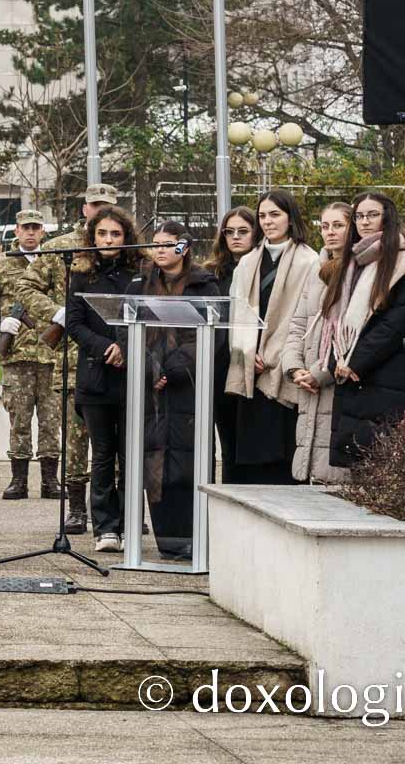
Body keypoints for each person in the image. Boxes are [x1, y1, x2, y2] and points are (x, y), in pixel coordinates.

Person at [131, 222, 221, 560]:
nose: (160, 250)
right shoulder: (141, 284)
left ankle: (192, 536)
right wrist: (150, 369)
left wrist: (171, 369)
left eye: (168, 244)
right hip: (150, 391)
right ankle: (166, 538)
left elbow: (211, 336)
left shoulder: (204, 285)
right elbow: (129, 330)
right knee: (155, 461)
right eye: (155, 244)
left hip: (189, 390)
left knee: (187, 460)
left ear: (184, 247)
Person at [223, 190, 317, 484]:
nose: (267, 221)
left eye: (274, 214)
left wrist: (278, 355)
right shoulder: (247, 262)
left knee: (284, 460)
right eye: (262, 215)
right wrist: (247, 353)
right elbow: (236, 313)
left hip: (287, 367)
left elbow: (306, 316)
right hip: (251, 368)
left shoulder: (309, 261)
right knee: (254, 461)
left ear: (290, 218)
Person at [64, 204, 142, 553]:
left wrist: (125, 347)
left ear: (126, 237)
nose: (109, 239)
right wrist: (105, 346)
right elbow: (74, 323)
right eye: (102, 233)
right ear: (91, 237)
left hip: (131, 376)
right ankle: (105, 528)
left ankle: (129, 523)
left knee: (130, 455)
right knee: (102, 455)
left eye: (115, 233)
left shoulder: (140, 273)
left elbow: (147, 315)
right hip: (95, 378)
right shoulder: (80, 275)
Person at [40, 182, 117, 534]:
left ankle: (116, 509)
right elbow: (26, 285)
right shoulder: (60, 248)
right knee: (76, 438)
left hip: (115, 360)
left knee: (114, 440)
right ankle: (75, 508)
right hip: (73, 358)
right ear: (84, 208)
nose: (99, 210)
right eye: (94, 205)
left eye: (106, 205)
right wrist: (59, 311)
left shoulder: (124, 247)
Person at [328, 191, 405, 470]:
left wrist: (356, 361)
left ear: (387, 218)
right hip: (349, 374)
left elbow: (397, 322)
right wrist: (337, 359)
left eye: (372, 215)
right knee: (355, 465)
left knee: (379, 463)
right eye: (358, 216)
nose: (364, 222)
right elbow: (336, 318)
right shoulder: (353, 262)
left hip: (383, 373)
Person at [0, 208, 67, 501]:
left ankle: (50, 481)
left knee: (51, 420)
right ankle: (18, 480)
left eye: (36, 228)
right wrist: (1, 321)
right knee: (19, 419)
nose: (31, 233)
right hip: (17, 353)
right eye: (26, 228)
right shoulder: (1, 262)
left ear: (43, 231)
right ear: (17, 231)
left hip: (50, 353)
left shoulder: (54, 260)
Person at [282, 202, 351, 484]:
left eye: (338, 225)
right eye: (325, 226)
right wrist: (293, 367)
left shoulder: (357, 271)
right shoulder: (316, 269)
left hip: (333, 379)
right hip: (306, 379)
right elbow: (298, 322)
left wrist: (321, 373)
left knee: (332, 470)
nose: (330, 232)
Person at [204, 206, 259, 481]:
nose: (235, 237)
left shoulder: (262, 269)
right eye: (229, 232)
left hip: (253, 363)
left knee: (249, 442)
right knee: (225, 443)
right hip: (217, 364)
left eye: (243, 231)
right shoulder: (210, 274)